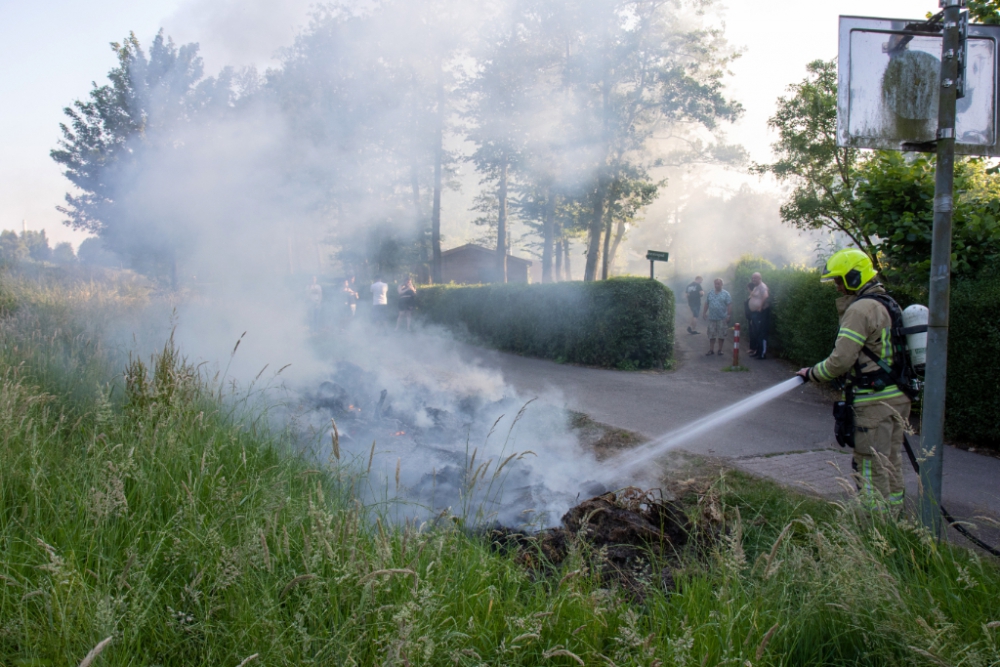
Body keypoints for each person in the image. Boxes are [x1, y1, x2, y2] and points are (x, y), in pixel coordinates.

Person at [796, 248, 910, 513]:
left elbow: (841, 361)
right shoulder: (888, 303)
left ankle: (873, 530)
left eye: (840, 280)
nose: (837, 287)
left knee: (869, 464)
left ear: (855, 276)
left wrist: (811, 373)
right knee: (891, 462)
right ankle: (895, 523)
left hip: (873, 403)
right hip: (898, 398)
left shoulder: (860, 309)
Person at [701, 278, 732, 356]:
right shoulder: (710, 293)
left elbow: (729, 305)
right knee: (711, 334)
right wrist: (704, 312)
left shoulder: (726, 294)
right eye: (715, 284)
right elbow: (707, 303)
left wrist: (728, 315)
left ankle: (720, 350)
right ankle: (711, 350)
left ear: (722, 284)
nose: (716, 285)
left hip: (722, 318)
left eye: (718, 284)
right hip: (712, 318)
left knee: (721, 334)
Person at [747, 272, 770, 359]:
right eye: (752, 278)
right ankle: (757, 351)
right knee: (756, 332)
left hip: (761, 313)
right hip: (755, 313)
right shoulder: (756, 286)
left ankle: (762, 354)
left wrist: (760, 306)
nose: (753, 280)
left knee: (761, 333)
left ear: (760, 278)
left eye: (755, 278)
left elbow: (766, 295)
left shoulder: (762, 286)